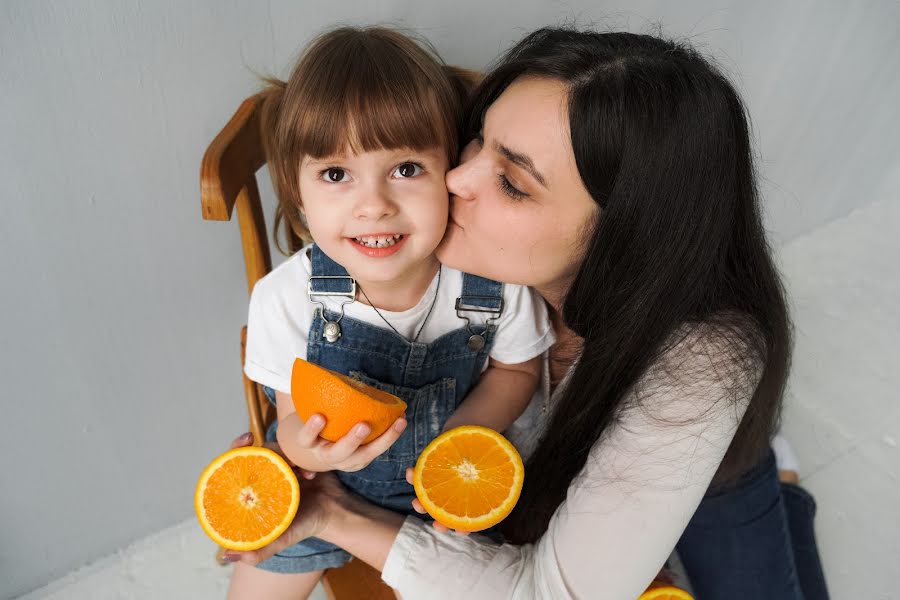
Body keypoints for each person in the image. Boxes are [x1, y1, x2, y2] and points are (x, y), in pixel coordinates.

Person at [227, 27, 830, 599]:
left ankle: (775, 480)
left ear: (620, 235)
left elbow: (551, 590)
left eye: (512, 183)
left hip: (707, 467)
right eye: (475, 139)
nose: (454, 180)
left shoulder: (698, 366)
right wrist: (295, 458)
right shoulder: (398, 258)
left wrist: (333, 512)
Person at [229, 26, 555, 599]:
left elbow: (518, 370)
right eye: (336, 175)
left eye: (406, 169)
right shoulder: (288, 298)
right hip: (333, 486)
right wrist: (306, 449)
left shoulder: (494, 281)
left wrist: (458, 438)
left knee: (505, 579)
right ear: (300, 196)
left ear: (453, 172)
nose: (374, 204)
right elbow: (290, 416)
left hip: (457, 490)